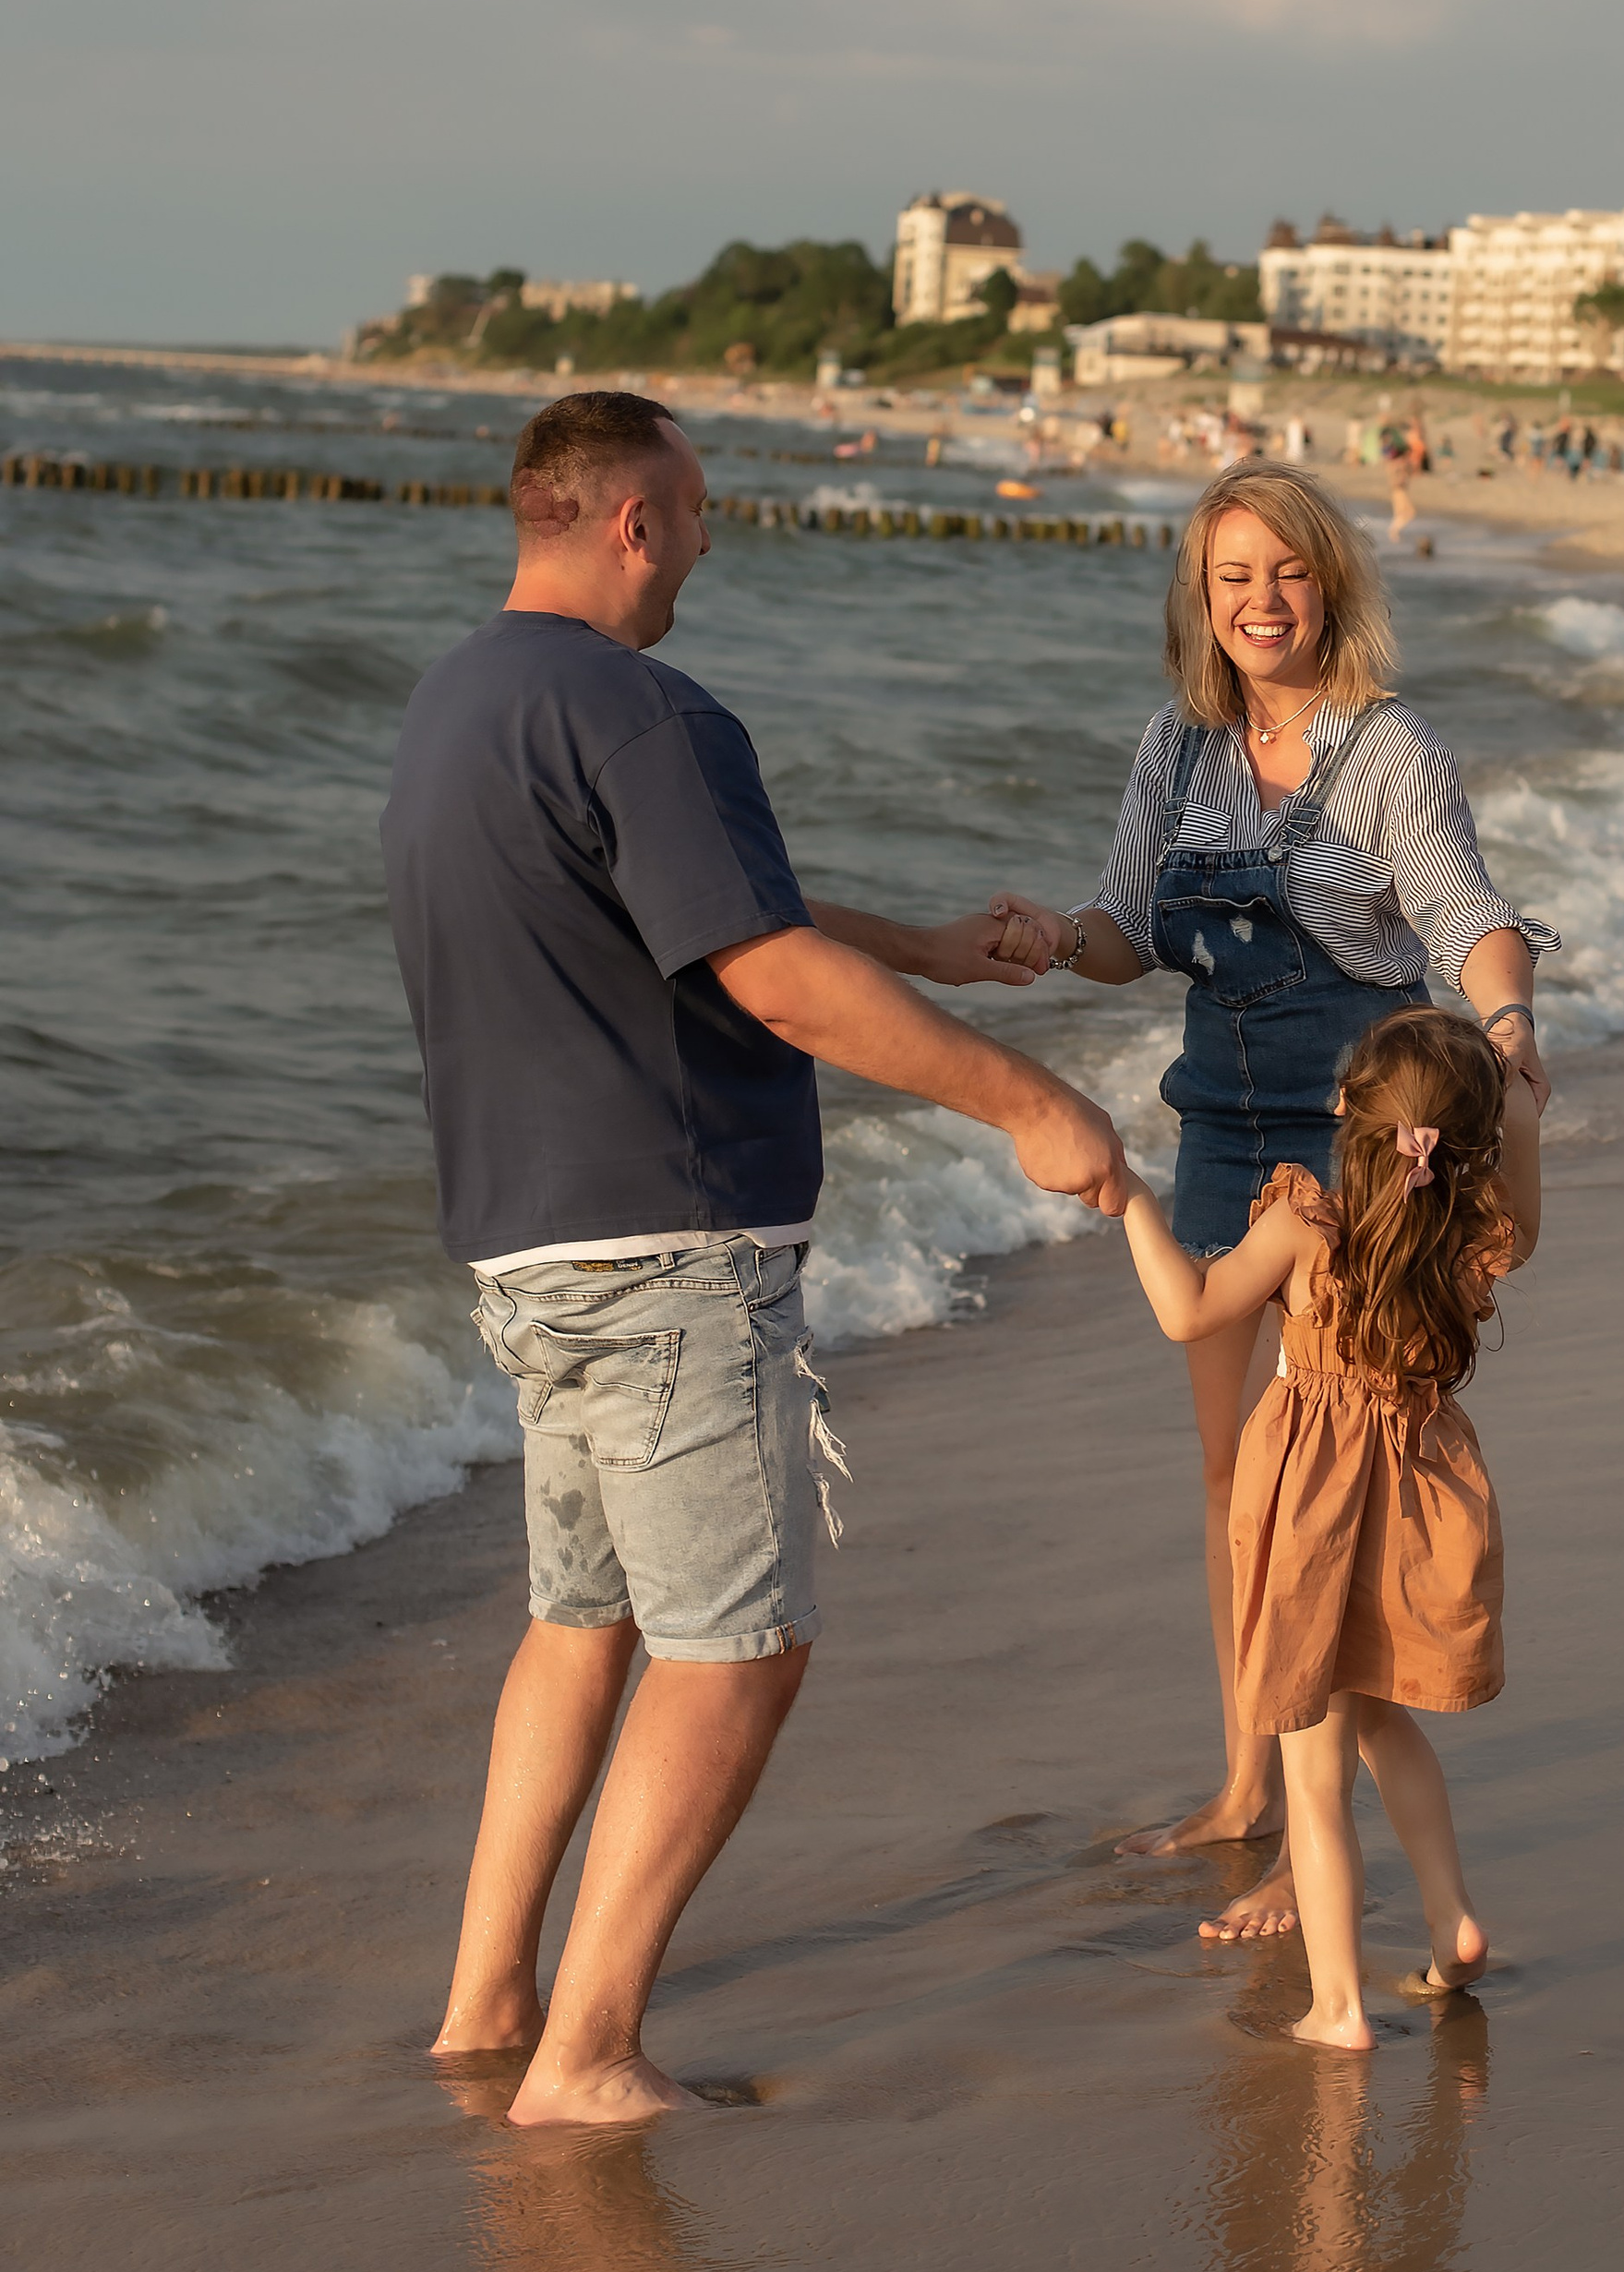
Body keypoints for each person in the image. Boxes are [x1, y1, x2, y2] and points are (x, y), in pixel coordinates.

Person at [381, 391, 1125, 2127]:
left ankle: (491, 2000)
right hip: (671, 1250)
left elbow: (726, 921)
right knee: (739, 1644)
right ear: (631, 518)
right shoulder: (645, 708)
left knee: (584, 1619)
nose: (708, 544)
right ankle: (588, 2054)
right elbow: (768, 981)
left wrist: (929, 948)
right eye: (698, 512)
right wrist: (1026, 1102)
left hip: (526, 1249)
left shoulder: (455, 704)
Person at [984, 468, 1553, 1941]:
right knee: (1241, 1492)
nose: (1260, 599)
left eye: (1287, 571)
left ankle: (1322, 1839)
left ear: (1332, 586)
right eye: (1232, 572)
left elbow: (1467, 912)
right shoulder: (1176, 753)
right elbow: (1128, 932)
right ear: (1200, 593)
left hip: (1358, 1162)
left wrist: (1505, 1029)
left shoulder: (1387, 748)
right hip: (1219, 1143)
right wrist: (1058, 936)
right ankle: (1251, 1781)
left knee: (1335, 1487)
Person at [1118, 1009, 1542, 2047]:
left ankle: (1337, 2005)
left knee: (1313, 1770)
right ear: (1468, 1140)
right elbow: (1518, 1164)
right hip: (1412, 1507)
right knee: (1380, 1722)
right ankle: (1452, 1919)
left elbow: (1188, 1311)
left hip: (1311, 1513)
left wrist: (1125, 1199)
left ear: (1343, 1107)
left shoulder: (1303, 1228)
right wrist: (1517, 1099)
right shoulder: (1475, 1238)